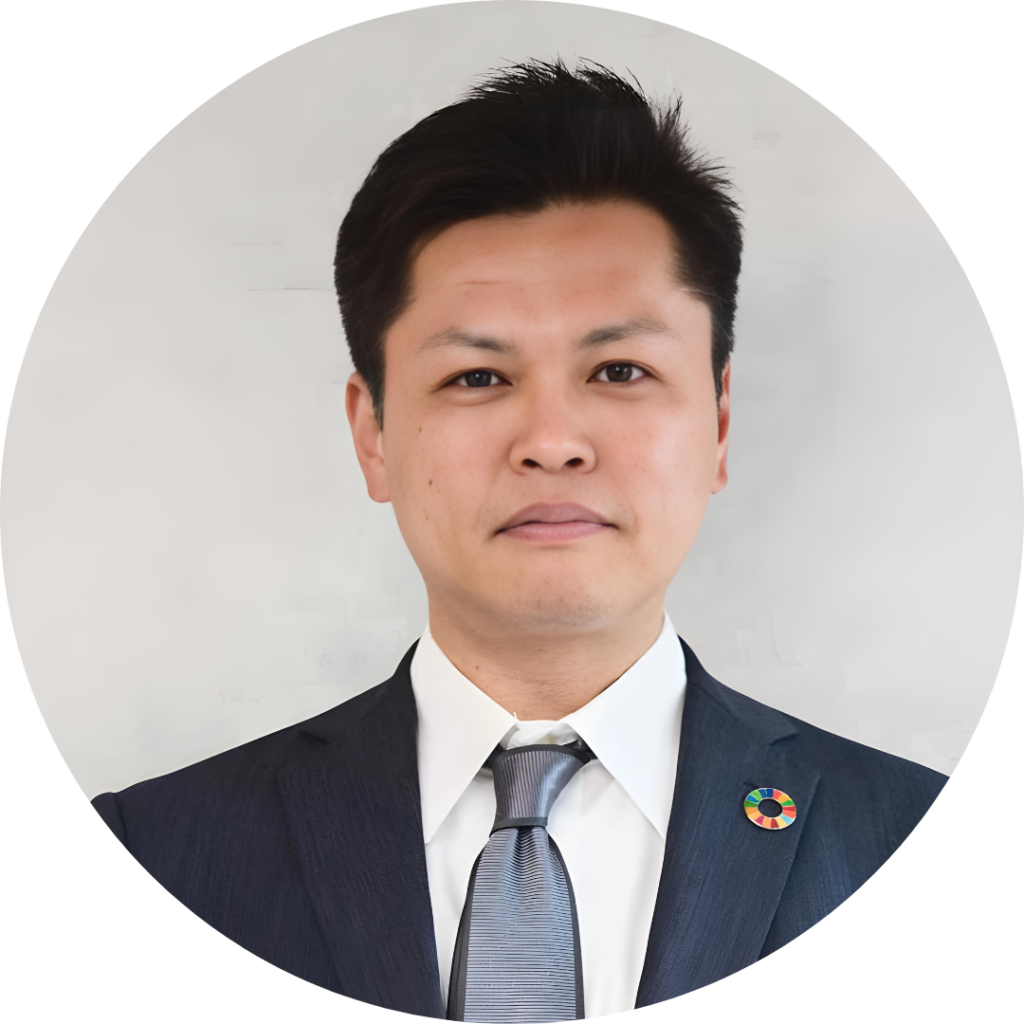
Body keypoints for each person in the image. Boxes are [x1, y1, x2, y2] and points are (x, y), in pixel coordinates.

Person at [91, 58, 948, 1020]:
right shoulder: (152, 853)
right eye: (477, 378)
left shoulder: (931, 850)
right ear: (372, 434)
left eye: (619, 370)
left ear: (717, 422)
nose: (551, 442)